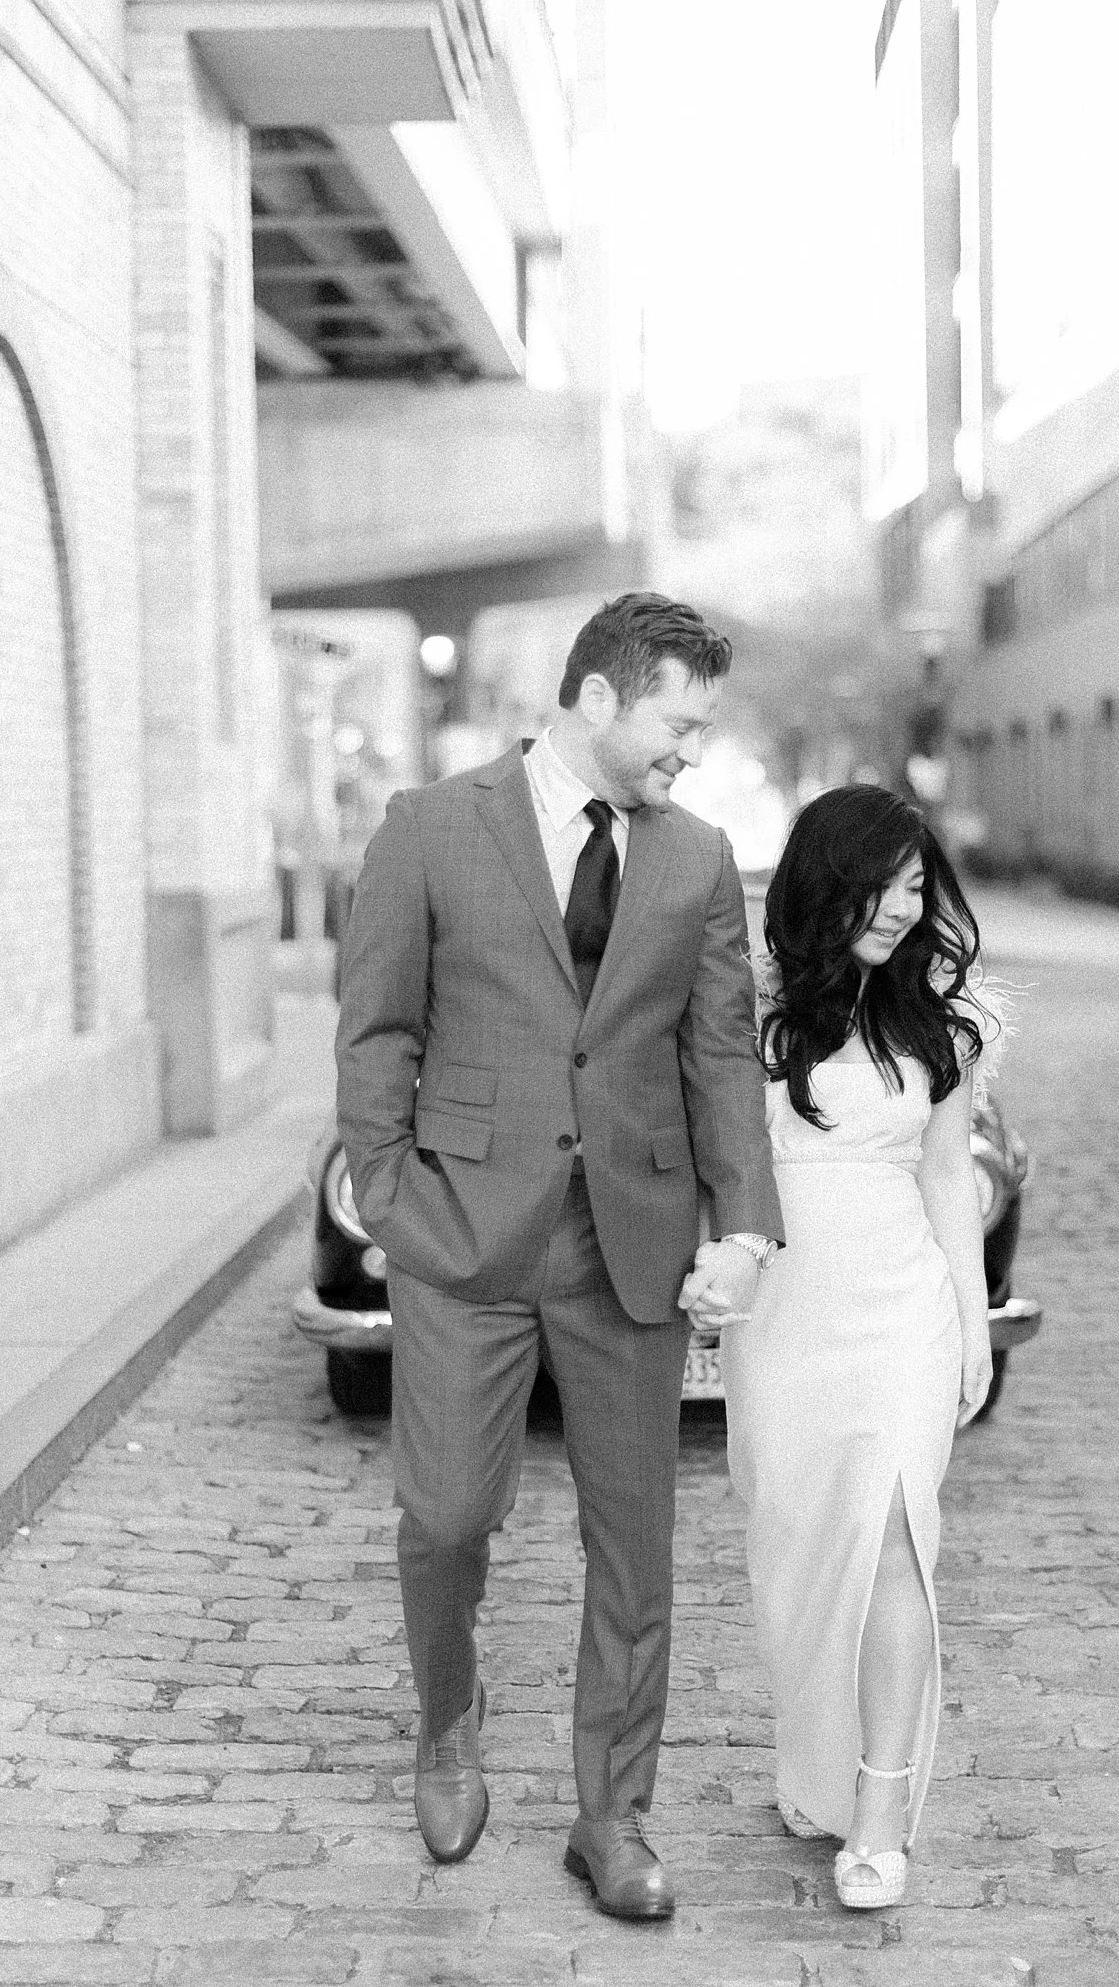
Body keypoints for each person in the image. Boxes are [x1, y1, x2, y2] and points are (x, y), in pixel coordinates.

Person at [335, 593, 784, 1921]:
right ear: (599, 697)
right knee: (446, 1515)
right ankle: (447, 1719)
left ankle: (614, 1816)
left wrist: (744, 1220)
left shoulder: (697, 859)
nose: (689, 751)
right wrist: (390, 1194)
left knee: (633, 1548)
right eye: (677, 721)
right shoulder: (431, 828)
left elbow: (716, 1052)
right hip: (463, 1238)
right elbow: (377, 1032)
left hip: (627, 1245)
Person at [711, 784, 997, 1912]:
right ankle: (817, 1767)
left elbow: (945, 1179)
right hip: (782, 1314)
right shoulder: (747, 1013)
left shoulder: (941, 1021)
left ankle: (879, 1815)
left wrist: (973, 1325)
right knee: (794, 1547)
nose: (902, 906)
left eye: (919, 886)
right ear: (828, 882)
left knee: (892, 1544)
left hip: (900, 1312)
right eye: (884, 883)